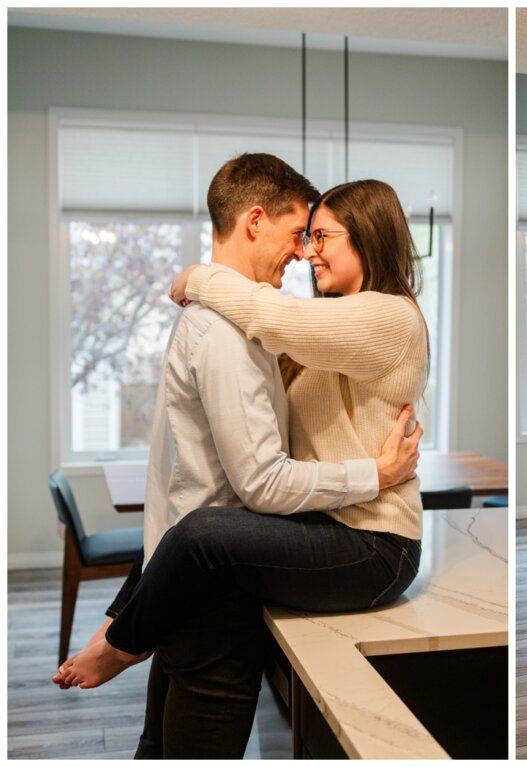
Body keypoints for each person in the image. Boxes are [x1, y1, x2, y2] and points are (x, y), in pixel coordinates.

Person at [55, 160, 429, 759]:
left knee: (203, 532)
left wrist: (199, 277)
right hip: (324, 524)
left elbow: (271, 315)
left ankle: (125, 638)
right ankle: (123, 624)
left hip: (373, 542)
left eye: (322, 237)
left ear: (369, 236)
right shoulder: (321, 327)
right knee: (193, 532)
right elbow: (279, 330)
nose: (307, 253)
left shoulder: (390, 316)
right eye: (303, 236)